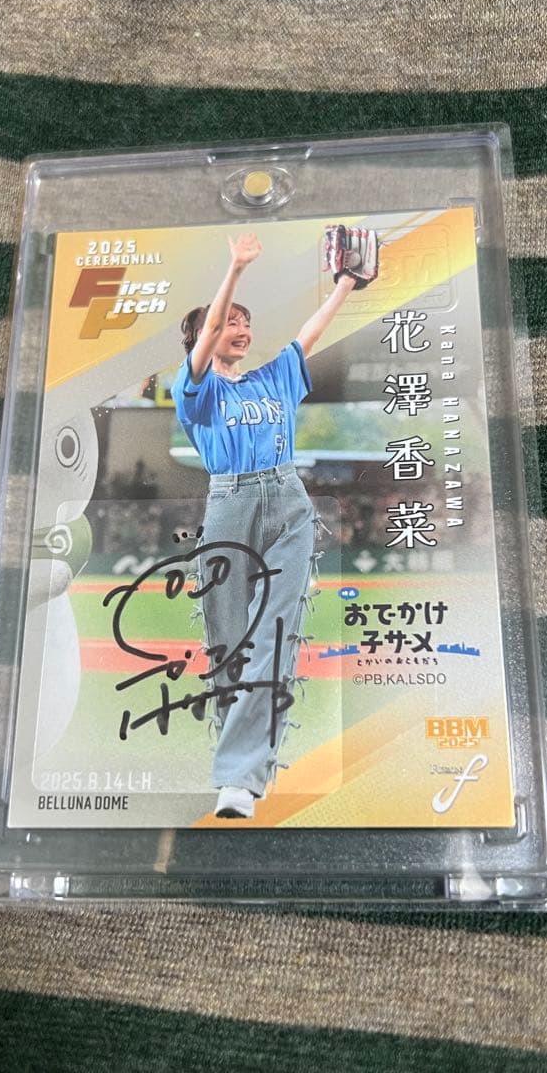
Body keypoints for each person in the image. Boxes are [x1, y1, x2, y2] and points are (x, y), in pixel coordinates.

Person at [171, 230, 368, 818]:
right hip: (229, 505)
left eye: (246, 321)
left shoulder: (273, 378)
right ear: (203, 338)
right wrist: (234, 268)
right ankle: (241, 761)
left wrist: (345, 284)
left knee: (275, 638)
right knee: (229, 644)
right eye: (229, 321)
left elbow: (310, 334)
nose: (241, 328)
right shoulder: (196, 391)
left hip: (287, 502)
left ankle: (240, 780)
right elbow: (208, 330)